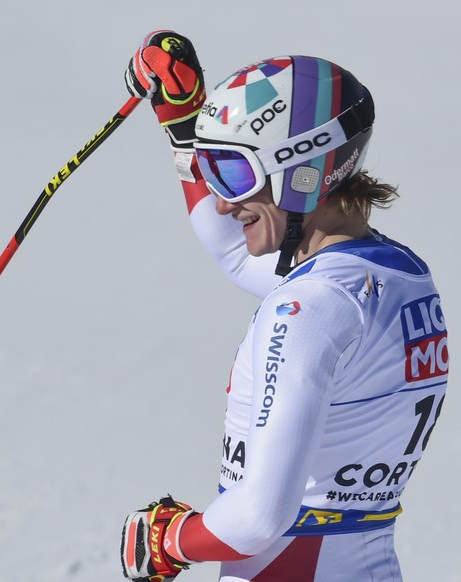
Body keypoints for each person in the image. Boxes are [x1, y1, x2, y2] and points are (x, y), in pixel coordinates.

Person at [119, 31, 449, 582]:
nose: (224, 200)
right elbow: (230, 249)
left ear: (303, 171)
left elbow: (255, 519)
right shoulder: (395, 274)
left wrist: (167, 540)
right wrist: (180, 121)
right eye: (214, 170)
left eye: (235, 172)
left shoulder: (309, 308)